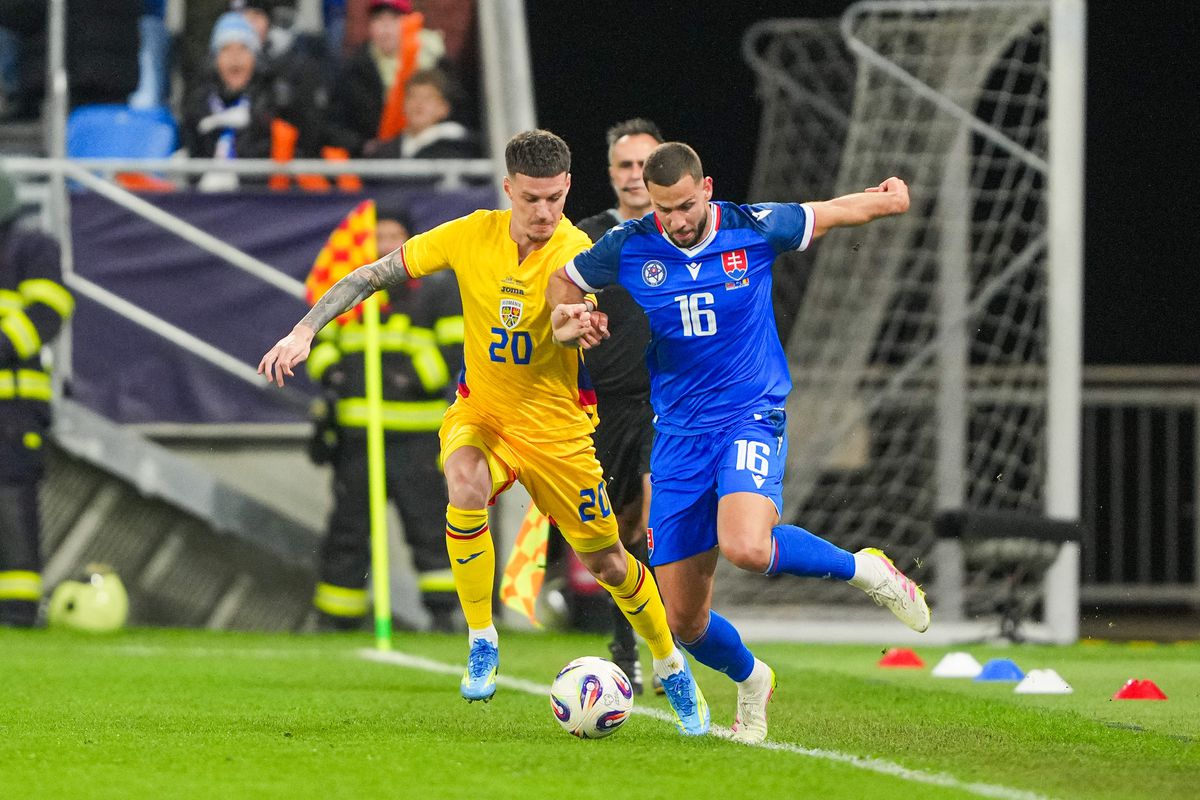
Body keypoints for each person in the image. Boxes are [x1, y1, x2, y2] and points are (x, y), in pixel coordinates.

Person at [259, 130, 710, 735]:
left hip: (557, 432)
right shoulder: (472, 233)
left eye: (554, 197)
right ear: (508, 190)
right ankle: (482, 638)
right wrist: (304, 330)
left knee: (608, 561)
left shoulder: (579, 249)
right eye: (531, 199)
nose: (545, 211)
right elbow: (373, 274)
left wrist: (577, 325)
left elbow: (568, 311)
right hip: (483, 415)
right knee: (463, 483)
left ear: (569, 188)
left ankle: (671, 665)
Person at [547, 142, 930, 744]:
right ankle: (752, 680)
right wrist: (567, 322)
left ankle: (867, 570)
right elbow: (563, 281)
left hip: (750, 415)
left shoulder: (753, 227)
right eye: (662, 209)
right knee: (684, 621)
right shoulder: (630, 245)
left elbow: (829, 211)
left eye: (683, 205)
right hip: (675, 435)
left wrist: (888, 202)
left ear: (706, 188)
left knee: (747, 547)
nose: (675, 220)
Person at [305, 207, 465, 632]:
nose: (383, 245)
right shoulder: (351, 295)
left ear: (409, 242)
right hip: (358, 440)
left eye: (393, 236)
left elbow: (455, 352)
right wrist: (334, 372)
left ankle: (444, 613)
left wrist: (412, 377)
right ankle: (337, 617)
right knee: (348, 531)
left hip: (416, 439)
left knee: (430, 529)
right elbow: (316, 343)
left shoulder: (438, 292)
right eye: (376, 237)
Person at [570, 118, 663, 694]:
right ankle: (627, 645)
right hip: (603, 409)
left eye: (645, 166)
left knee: (657, 521)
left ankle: (665, 650)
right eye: (625, 166)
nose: (635, 176)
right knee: (621, 531)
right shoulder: (587, 239)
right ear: (610, 174)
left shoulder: (681, 234)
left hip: (669, 401)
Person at [0, 168, 74, 627]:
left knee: (11, 505)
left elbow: (49, 311)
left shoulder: (31, 247)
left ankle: (17, 609)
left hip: (13, 409)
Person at [324, 0, 448, 157]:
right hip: (376, 165)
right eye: (378, 20)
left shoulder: (435, 60)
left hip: (435, 156)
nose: (386, 28)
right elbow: (332, 125)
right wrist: (364, 146)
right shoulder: (354, 69)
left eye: (393, 19)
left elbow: (459, 113)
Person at [182, 11, 275, 191]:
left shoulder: (273, 101)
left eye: (243, 48)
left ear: (256, 58)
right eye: (226, 49)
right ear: (214, 59)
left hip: (260, 203)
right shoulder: (198, 105)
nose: (235, 57)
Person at [366, 68, 480, 160]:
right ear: (402, 105)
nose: (419, 104)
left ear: (444, 108)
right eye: (412, 96)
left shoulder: (459, 149)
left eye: (428, 98)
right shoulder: (384, 153)